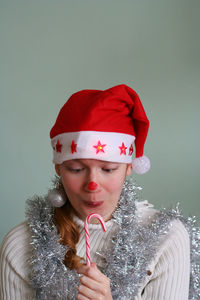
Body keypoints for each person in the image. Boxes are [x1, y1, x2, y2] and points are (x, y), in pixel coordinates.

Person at [0, 84, 199, 300]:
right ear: (58, 168)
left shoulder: (165, 239)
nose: (92, 184)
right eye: (76, 169)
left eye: (108, 169)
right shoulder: (20, 246)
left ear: (128, 167)